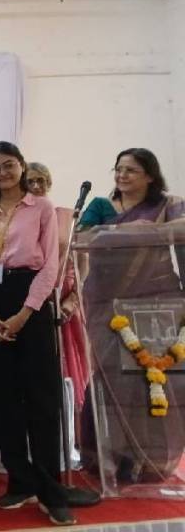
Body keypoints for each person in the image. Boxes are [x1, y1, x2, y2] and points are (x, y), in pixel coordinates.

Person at [0, 142, 73, 526]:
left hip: (32, 303)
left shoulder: (41, 207)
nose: (2, 173)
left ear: (22, 166)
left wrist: (25, 313)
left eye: (8, 165)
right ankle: (20, 482)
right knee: (4, 399)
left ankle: (50, 491)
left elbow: (50, 267)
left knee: (41, 400)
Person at [78, 148, 185, 485]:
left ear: (150, 176)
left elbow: (183, 229)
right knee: (112, 377)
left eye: (131, 170)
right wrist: (126, 230)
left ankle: (149, 460)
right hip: (106, 303)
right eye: (119, 169)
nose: (122, 176)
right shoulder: (100, 206)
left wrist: (140, 230)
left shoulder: (169, 205)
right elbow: (80, 237)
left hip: (156, 303)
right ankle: (109, 456)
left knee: (153, 378)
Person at [26, 162, 89, 413]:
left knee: (71, 373)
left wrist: (72, 301)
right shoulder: (17, 219)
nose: (36, 186)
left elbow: (82, 263)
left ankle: (74, 428)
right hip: (33, 304)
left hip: (65, 304)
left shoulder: (67, 217)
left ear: (49, 183)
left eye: (41, 180)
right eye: (30, 181)